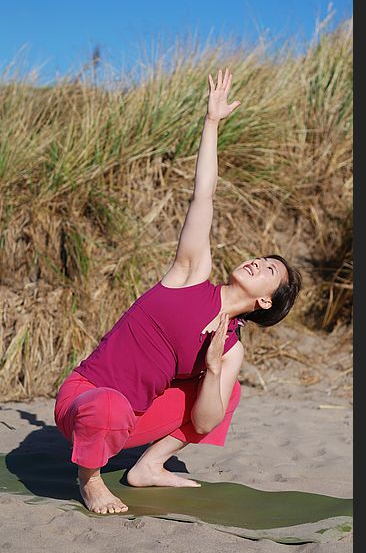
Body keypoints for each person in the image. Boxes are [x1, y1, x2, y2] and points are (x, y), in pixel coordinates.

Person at [54, 68, 302, 515]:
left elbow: (206, 420)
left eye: (267, 270)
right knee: (108, 405)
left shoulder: (230, 348)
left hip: (130, 420)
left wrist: (210, 367)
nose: (255, 262)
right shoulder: (191, 273)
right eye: (260, 257)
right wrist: (212, 124)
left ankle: (147, 468)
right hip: (85, 399)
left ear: (266, 301)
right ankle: (89, 480)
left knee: (228, 392)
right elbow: (202, 196)